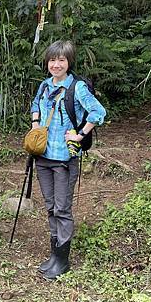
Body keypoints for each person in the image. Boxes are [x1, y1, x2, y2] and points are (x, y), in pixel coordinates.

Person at [30, 40, 106, 280]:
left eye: (61, 60)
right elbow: (35, 106)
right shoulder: (44, 85)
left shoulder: (78, 87)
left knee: (62, 208)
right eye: (52, 60)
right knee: (51, 206)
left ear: (69, 62)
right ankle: (54, 255)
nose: (56, 64)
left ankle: (62, 260)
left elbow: (98, 112)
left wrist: (80, 133)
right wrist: (35, 126)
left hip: (65, 157)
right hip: (43, 156)